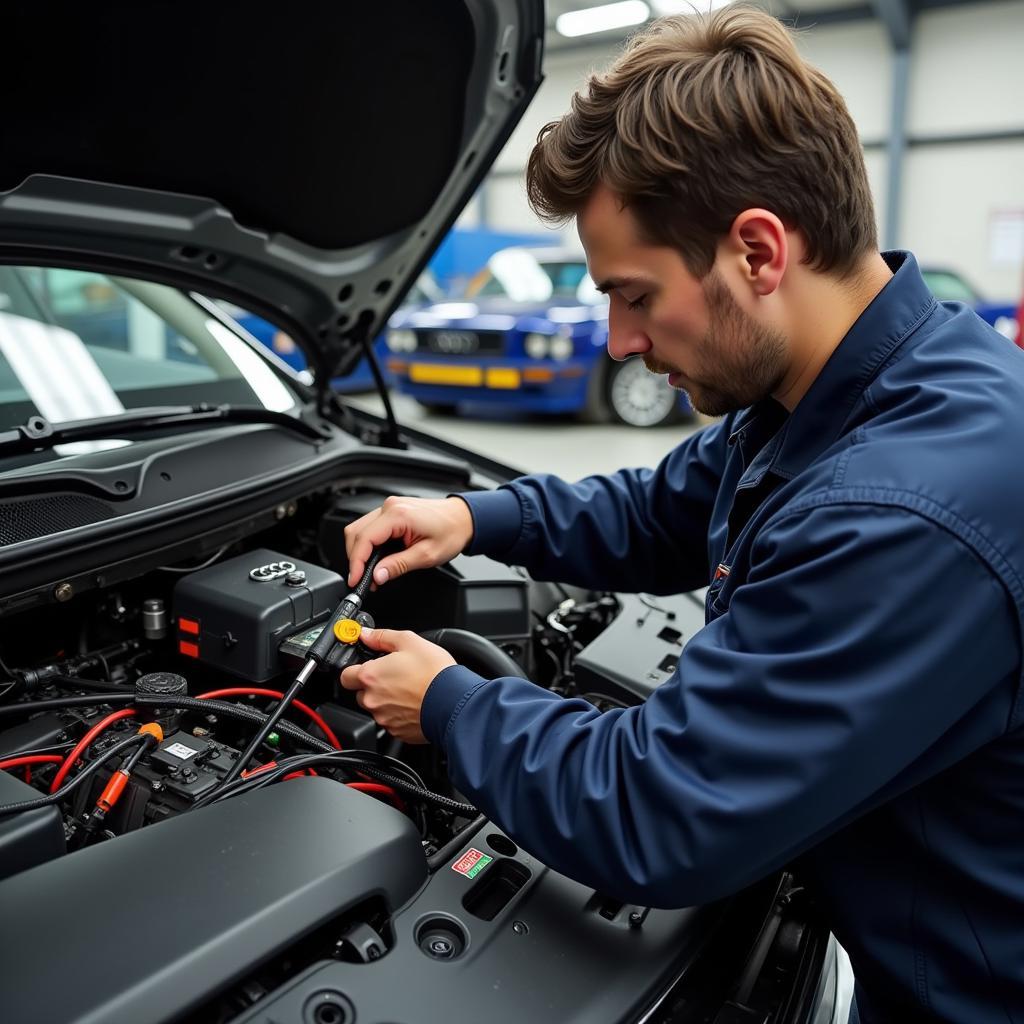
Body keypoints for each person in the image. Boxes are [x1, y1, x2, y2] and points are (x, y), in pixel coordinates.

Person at [340, 7, 1024, 1022]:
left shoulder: (902, 508)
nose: (618, 341)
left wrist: (450, 705)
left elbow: (661, 815)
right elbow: (661, 506)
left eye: (633, 295)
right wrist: (476, 518)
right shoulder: (854, 381)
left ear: (756, 251)